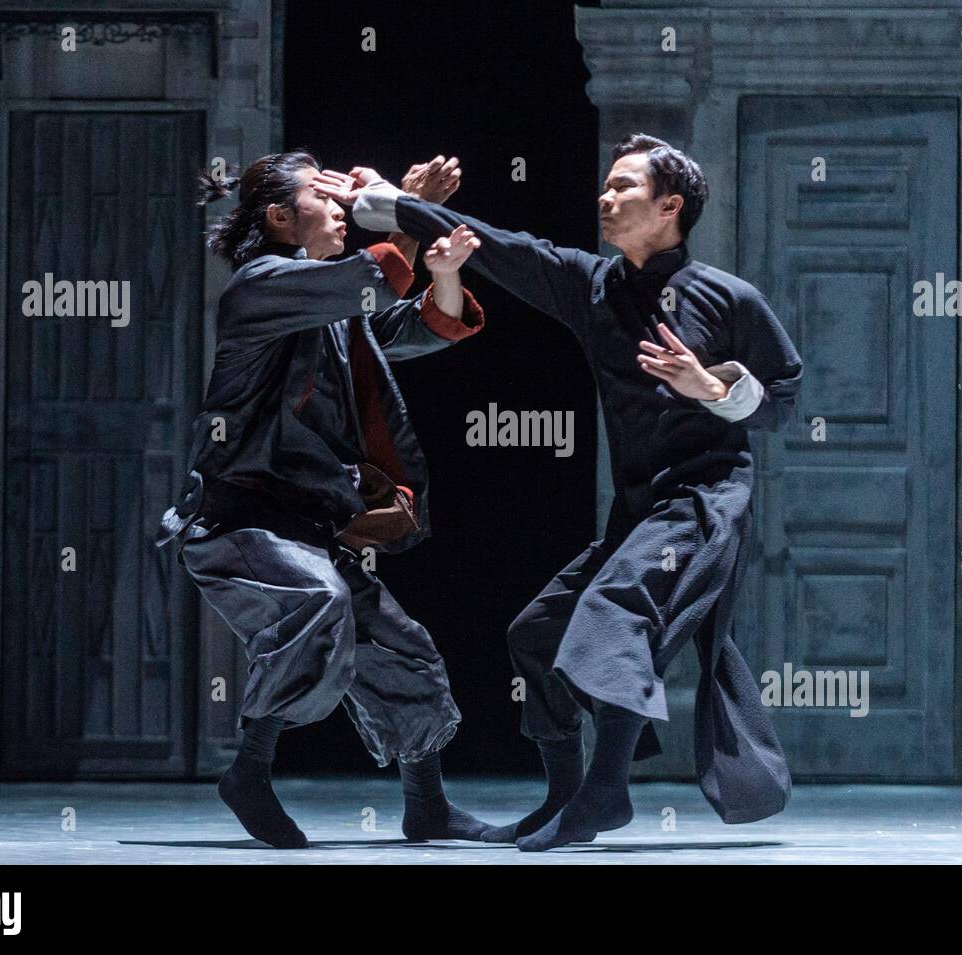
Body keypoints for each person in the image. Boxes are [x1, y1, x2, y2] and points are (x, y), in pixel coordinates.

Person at [315, 134, 800, 851]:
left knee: (613, 609)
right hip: (640, 511)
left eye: (624, 187)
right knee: (537, 635)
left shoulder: (729, 297)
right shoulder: (592, 284)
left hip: (704, 499)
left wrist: (715, 385)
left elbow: (785, 397)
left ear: (670, 206)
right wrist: (389, 203)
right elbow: (498, 245)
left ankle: (607, 794)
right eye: (604, 185)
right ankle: (570, 792)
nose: (605, 197)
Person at [154, 150, 490, 848]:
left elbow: (414, 323)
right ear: (280, 217)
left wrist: (444, 270)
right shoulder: (261, 286)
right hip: (236, 517)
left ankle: (426, 803)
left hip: (305, 524)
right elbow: (377, 280)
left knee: (406, 648)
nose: (340, 206)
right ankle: (249, 767)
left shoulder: (335, 306)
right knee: (318, 603)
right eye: (322, 195)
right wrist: (399, 206)